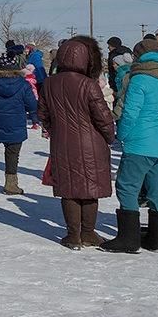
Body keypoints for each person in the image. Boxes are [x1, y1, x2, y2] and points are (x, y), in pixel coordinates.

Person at [102, 37, 158, 254]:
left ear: (139, 56)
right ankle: (156, 240)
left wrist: (122, 135)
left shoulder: (139, 80)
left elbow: (130, 114)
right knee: (157, 189)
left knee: (127, 186)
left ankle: (129, 239)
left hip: (140, 144)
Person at [39, 36, 114, 250]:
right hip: (92, 143)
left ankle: (73, 235)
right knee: (90, 189)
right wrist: (109, 136)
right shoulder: (88, 84)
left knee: (69, 189)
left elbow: (42, 114)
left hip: (62, 143)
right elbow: (103, 116)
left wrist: (56, 131)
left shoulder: (49, 83)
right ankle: (88, 233)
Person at [0, 54, 39, 196]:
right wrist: (35, 118)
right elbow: (31, 105)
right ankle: (11, 185)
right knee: (12, 154)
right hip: (16, 123)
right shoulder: (23, 84)